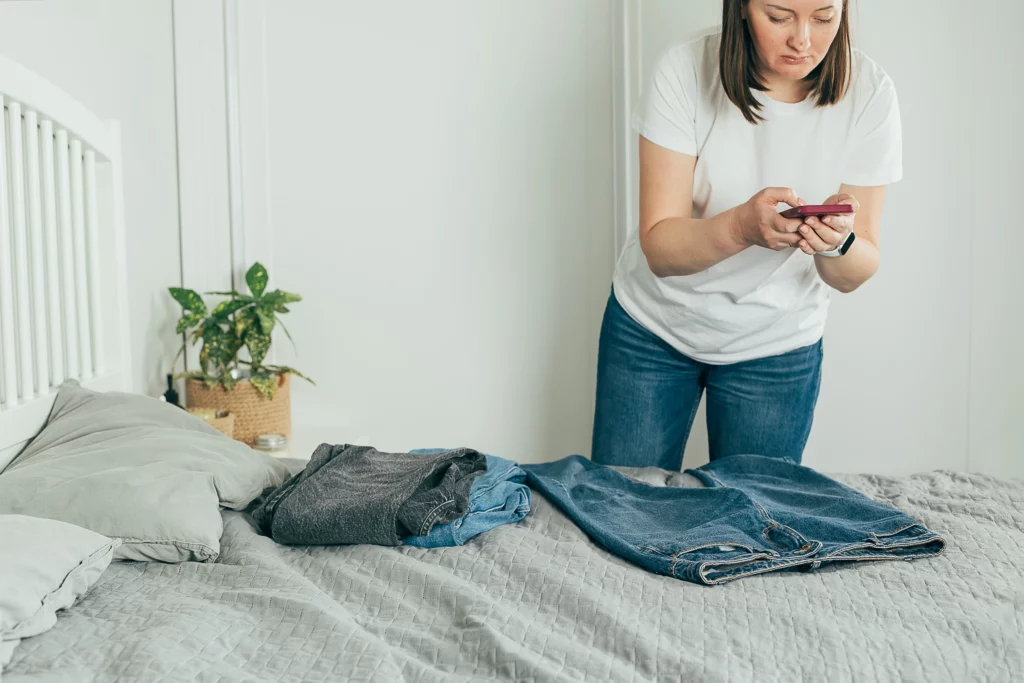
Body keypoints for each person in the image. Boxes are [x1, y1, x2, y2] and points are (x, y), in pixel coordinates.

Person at [591, 0, 902, 470]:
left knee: (755, 526)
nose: (802, 39)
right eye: (779, 16)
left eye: (823, 17)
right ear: (740, 7)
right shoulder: (684, 68)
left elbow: (856, 268)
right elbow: (659, 247)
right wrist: (740, 227)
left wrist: (836, 243)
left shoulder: (870, 93)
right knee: (623, 509)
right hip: (652, 331)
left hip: (777, 346)